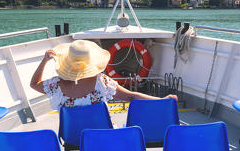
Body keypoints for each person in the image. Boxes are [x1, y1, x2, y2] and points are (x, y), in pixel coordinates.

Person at [30, 39, 177, 109]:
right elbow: (131, 96)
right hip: (103, 134)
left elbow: (34, 84)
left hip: (72, 136)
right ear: (91, 62)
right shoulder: (102, 82)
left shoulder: (56, 86)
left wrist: (44, 61)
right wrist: (162, 100)